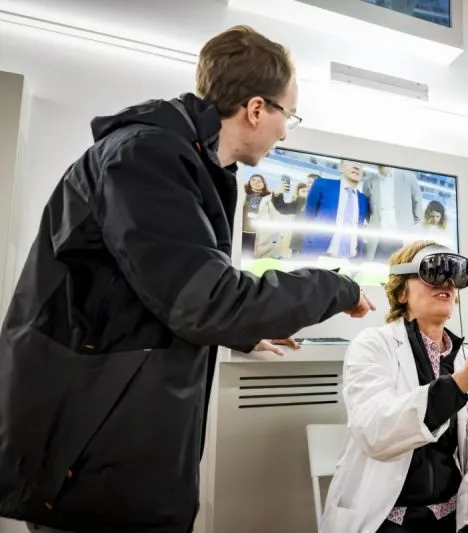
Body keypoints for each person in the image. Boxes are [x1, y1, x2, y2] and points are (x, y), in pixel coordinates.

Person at [0, 25, 373, 533]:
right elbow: (208, 301)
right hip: (92, 459)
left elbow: (155, 293)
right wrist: (338, 286)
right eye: (289, 115)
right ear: (256, 108)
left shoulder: (176, 160)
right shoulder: (145, 157)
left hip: (112, 446)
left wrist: (245, 331)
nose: (286, 132)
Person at [321, 241, 468, 533]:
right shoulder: (372, 345)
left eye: (455, 275)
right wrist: (461, 382)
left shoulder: (463, 358)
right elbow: (374, 431)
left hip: (451, 517)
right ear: (401, 291)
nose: (447, 283)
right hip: (385, 519)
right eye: (434, 271)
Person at [363, 165, 423, 260]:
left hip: (401, 240)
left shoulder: (408, 177)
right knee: (377, 268)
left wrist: (407, 223)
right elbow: (367, 212)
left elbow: (418, 209)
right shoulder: (368, 182)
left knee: (402, 266)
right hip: (378, 241)